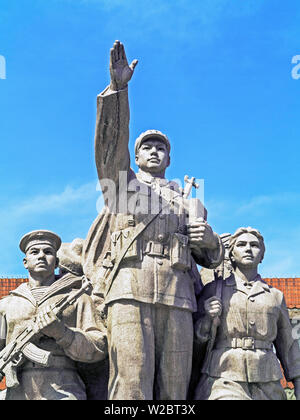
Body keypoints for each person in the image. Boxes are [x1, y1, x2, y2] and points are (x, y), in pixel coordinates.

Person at [82, 40, 224, 400]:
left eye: (161, 147)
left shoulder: (186, 199)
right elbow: (109, 146)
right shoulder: (122, 185)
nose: (155, 151)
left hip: (178, 295)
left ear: (169, 159)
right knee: (131, 382)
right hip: (129, 288)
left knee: (175, 387)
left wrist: (207, 238)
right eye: (147, 146)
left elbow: (213, 257)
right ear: (136, 156)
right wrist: (119, 91)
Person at [194, 227, 300, 400]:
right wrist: (207, 319)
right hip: (224, 378)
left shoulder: (275, 296)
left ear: (262, 255)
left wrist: (297, 379)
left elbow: (288, 344)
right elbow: (194, 342)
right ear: (232, 254)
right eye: (242, 244)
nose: (249, 249)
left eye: (254, 245)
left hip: (268, 380)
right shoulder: (213, 290)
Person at [0, 230, 107, 400]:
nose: (41, 256)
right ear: (25, 262)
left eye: (48, 252)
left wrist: (62, 333)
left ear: (56, 262)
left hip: (64, 388)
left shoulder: (78, 298)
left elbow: (99, 347)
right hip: (18, 392)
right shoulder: (6, 304)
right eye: (34, 252)